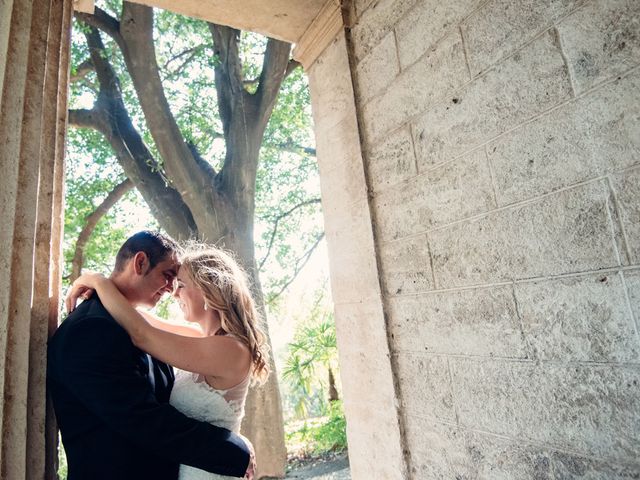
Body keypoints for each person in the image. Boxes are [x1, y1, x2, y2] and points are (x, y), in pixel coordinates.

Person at [48, 231, 252, 480]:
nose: (171, 291)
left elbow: (143, 333)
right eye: (168, 276)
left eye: (179, 284)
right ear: (140, 262)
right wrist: (231, 449)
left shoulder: (149, 333)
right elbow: (141, 420)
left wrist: (100, 282)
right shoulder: (91, 329)